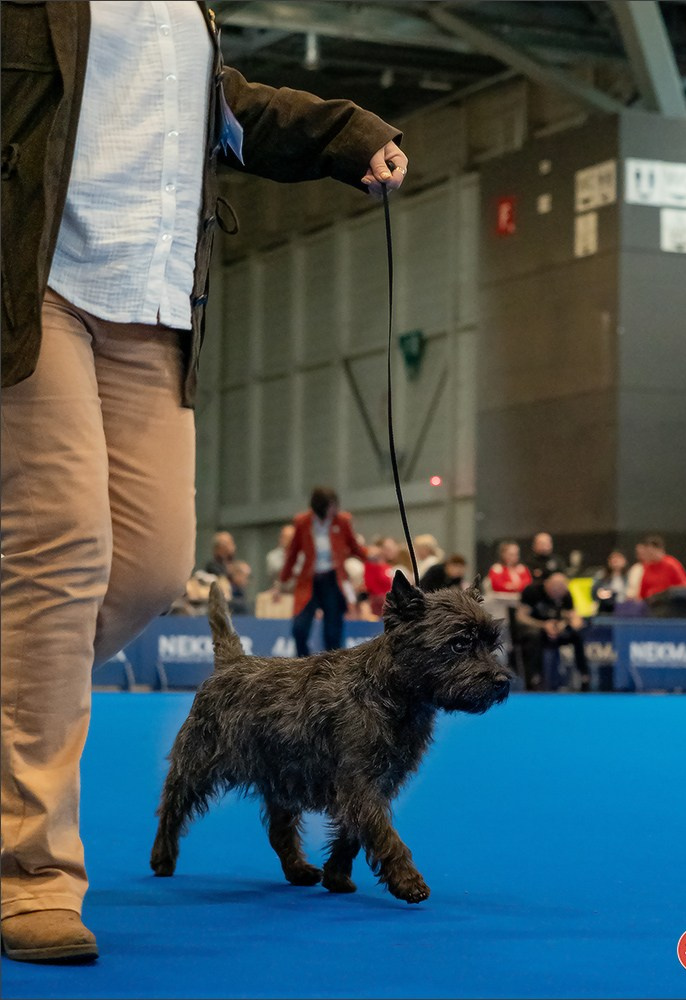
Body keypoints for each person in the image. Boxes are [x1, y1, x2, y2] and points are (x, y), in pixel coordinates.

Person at [0, 1, 408, 963]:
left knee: (146, 572)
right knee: (61, 556)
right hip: (33, 286)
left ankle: (20, 701)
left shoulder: (192, 10)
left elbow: (224, 109)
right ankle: (32, 873)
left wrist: (350, 135)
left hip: (152, 302)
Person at [275, 488, 368, 656]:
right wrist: (282, 581)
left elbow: (354, 547)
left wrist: (370, 556)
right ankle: (303, 664)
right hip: (309, 581)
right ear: (320, 506)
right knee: (299, 628)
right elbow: (293, 553)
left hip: (333, 581)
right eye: (331, 506)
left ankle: (331, 670)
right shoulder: (303, 522)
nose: (335, 509)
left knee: (332, 632)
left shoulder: (342, 521)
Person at [516, 573, 590, 691]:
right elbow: (521, 617)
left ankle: (584, 676)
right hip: (535, 629)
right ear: (549, 586)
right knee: (534, 636)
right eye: (556, 593)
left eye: (561, 594)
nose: (558, 598)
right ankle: (534, 678)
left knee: (577, 635)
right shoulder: (532, 591)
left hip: (556, 630)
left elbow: (573, 617)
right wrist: (543, 625)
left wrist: (564, 624)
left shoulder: (565, 594)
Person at [638, 536, 686, 600]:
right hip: (652, 604)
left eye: (651, 552)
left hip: (670, 603)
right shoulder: (647, 568)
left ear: (660, 550)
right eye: (648, 552)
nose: (649, 555)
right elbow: (643, 592)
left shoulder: (671, 564)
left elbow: (685, 586)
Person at [363, 536, 401, 617]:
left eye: (393, 548)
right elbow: (370, 587)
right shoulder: (372, 566)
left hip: (390, 610)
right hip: (377, 612)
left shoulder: (390, 567)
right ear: (380, 549)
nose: (391, 551)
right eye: (387, 549)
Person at [265, 524, 296, 588]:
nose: (286, 540)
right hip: (279, 593)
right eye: (284, 537)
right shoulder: (272, 557)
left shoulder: (303, 556)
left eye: (289, 537)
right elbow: (274, 577)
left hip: (299, 592)